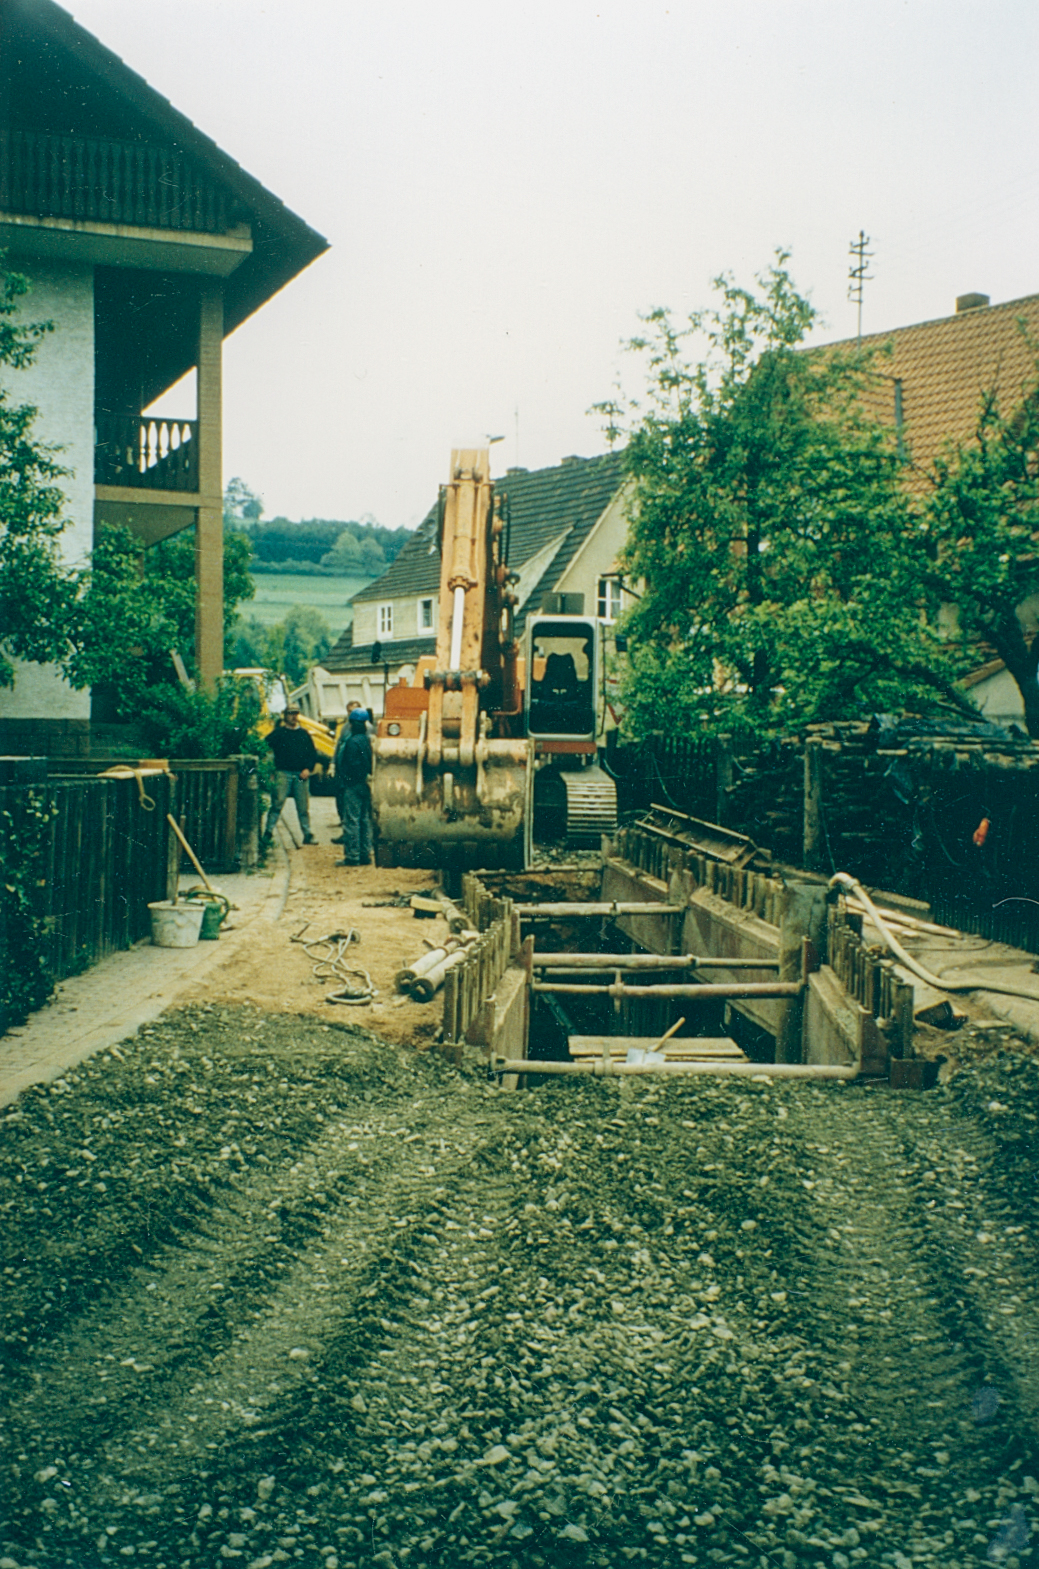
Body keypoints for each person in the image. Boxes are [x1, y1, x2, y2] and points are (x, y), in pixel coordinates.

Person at [262, 705, 320, 846]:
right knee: (277, 804)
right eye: (291, 713)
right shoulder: (278, 733)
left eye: (296, 713)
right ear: (285, 715)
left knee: (303, 807)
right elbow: (263, 746)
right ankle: (268, 833)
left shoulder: (304, 734)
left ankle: (307, 834)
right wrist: (270, 769)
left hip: (301, 775)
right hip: (283, 773)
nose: (294, 716)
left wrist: (308, 768)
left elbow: (312, 754)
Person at [335, 706, 373, 866]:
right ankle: (365, 854)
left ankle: (352, 857)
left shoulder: (352, 742)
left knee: (351, 821)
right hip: (366, 784)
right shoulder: (367, 740)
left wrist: (346, 780)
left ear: (351, 723)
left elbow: (351, 764)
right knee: (365, 820)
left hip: (353, 785)